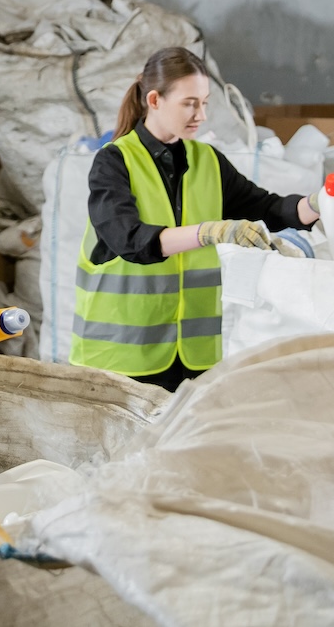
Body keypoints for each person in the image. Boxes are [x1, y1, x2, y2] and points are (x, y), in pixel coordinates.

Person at [72, 45, 319, 393]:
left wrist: (317, 204)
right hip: (121, 361)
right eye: (190, 103)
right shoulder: (114, 163)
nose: (200, 114)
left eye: (204, 103)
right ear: (154, 100)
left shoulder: (207, 161)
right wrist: (209, 232)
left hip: (193, 359)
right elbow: (130, 240)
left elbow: (266, 207)